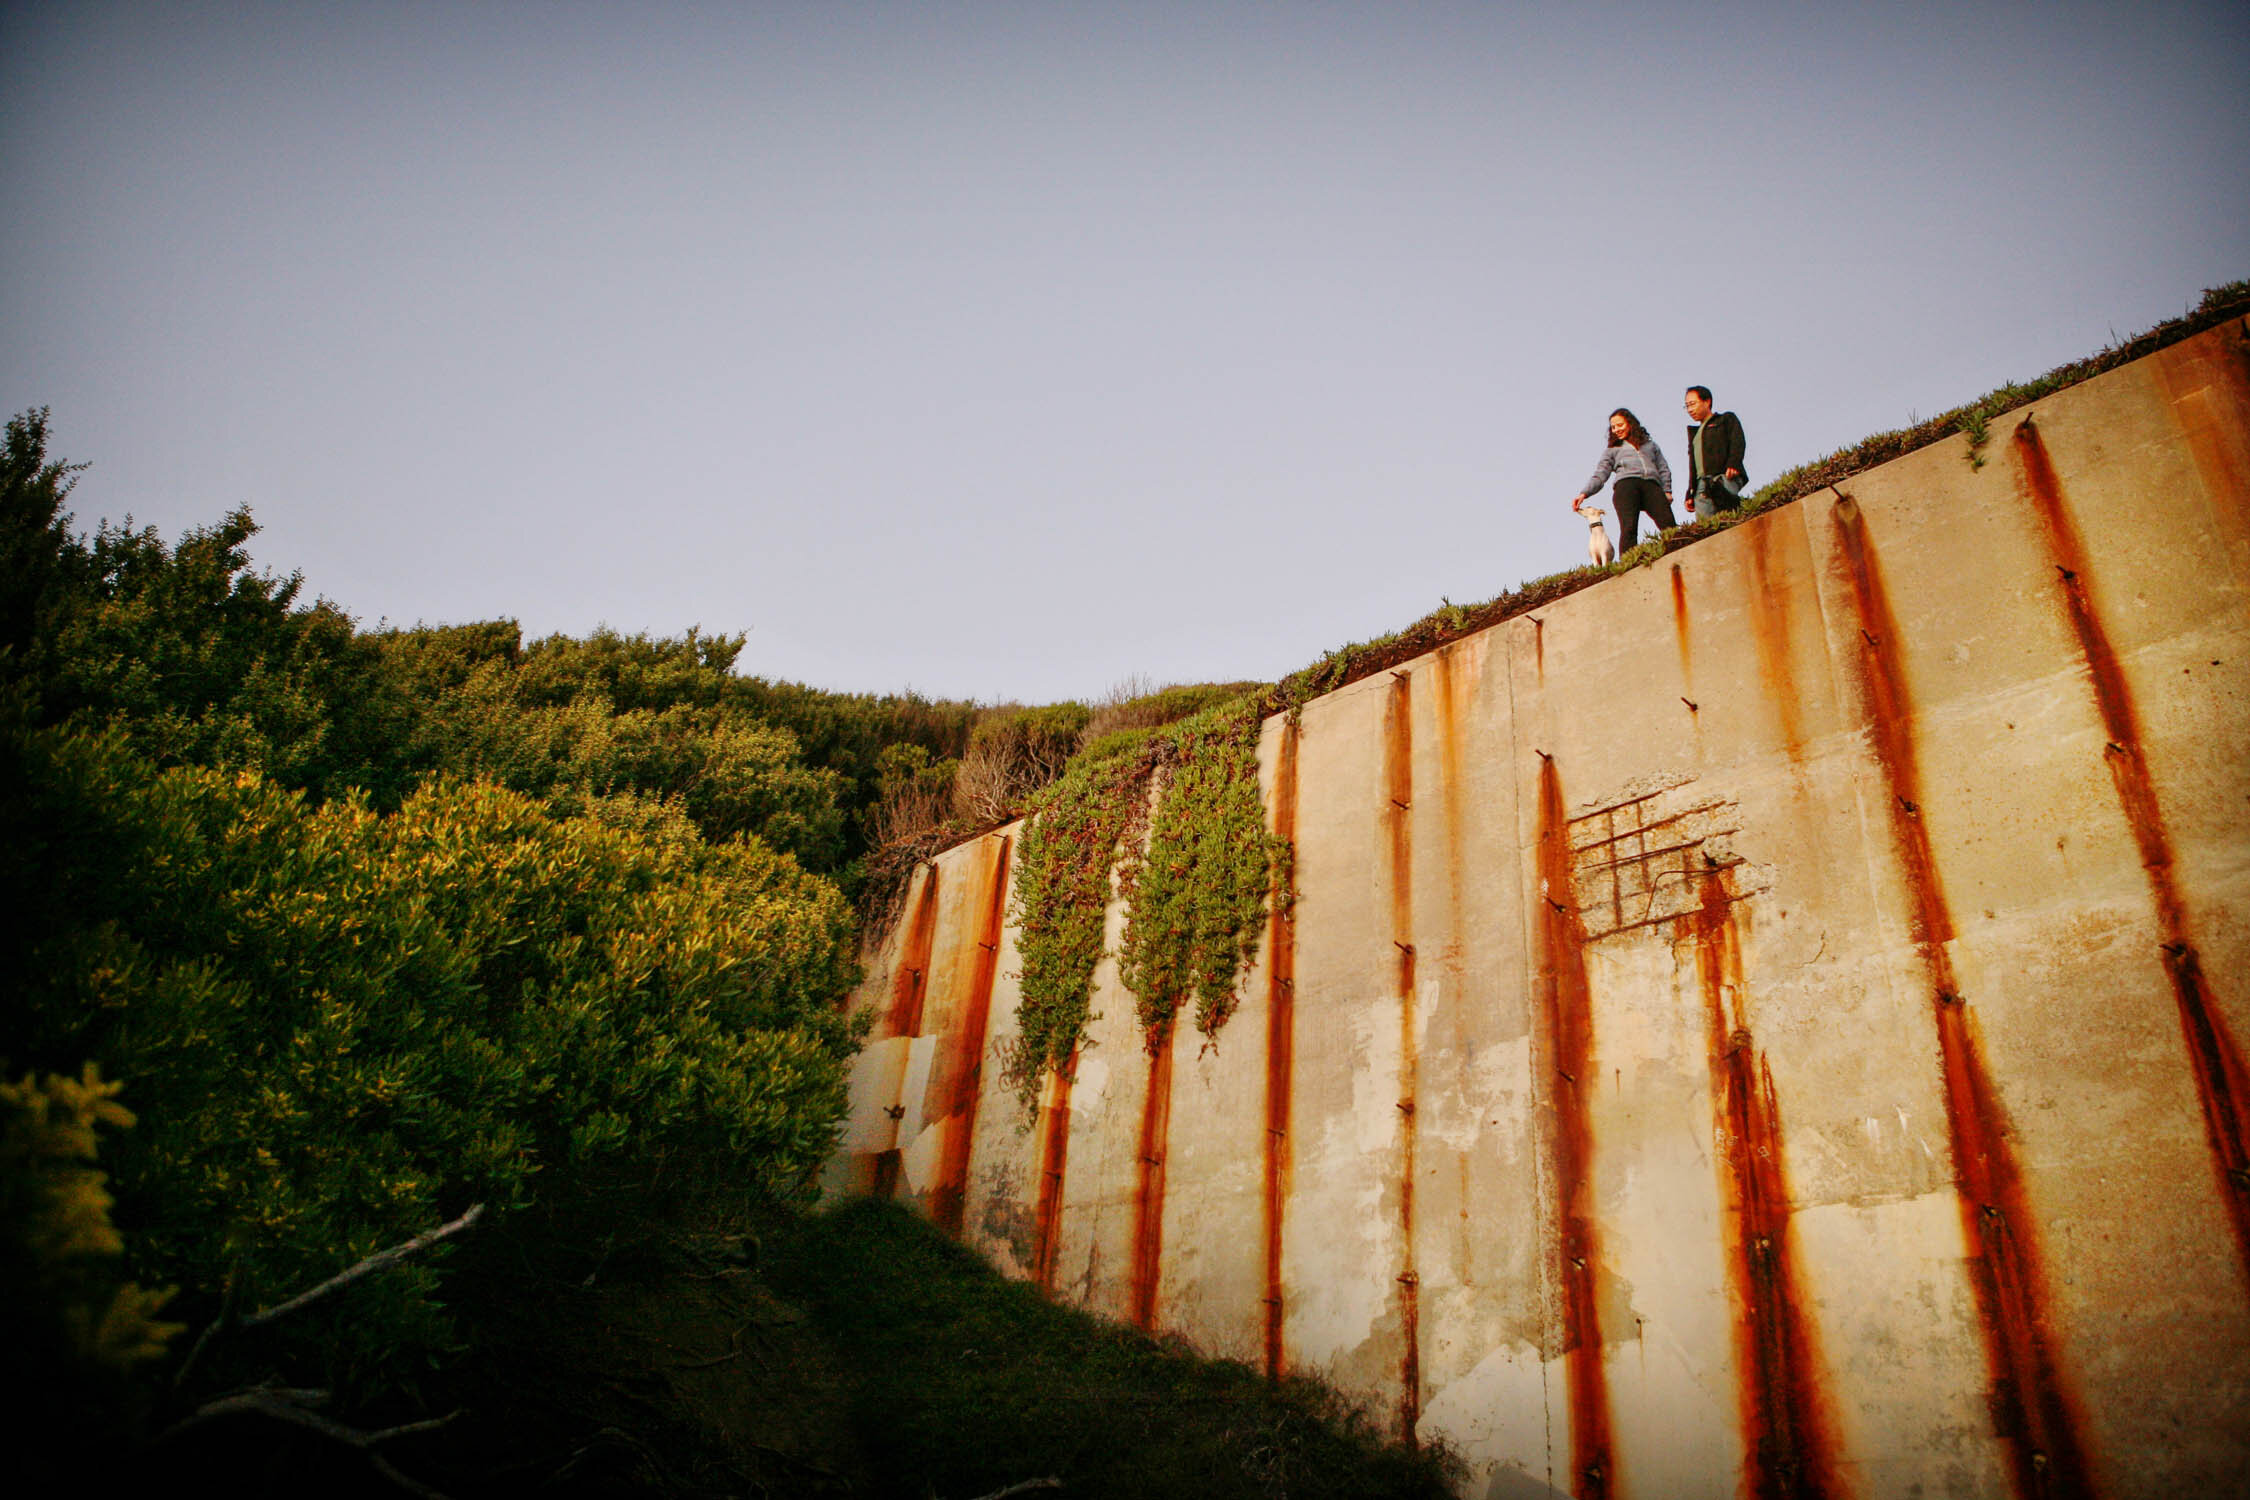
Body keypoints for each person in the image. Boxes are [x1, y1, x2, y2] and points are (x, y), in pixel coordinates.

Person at [1570, 408, 1674, 550]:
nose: (1616, 430)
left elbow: (1663, 469)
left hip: (1651, 485)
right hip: (1626, 486)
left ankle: (1679, 552)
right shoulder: (1612, 450)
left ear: (1630, 424)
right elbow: (1601, 474)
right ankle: (1628, 565)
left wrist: (1667, 490)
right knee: (1629, 528)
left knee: (1668, 523)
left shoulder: (1650, 445)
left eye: (1620, 425)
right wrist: (1584, 493)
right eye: (1613, 427)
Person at [1681, 386, 1747, 517]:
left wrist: (1734, 463)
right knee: (1707, 529)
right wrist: (1690, 492)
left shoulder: (1725, 419)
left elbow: (1738, 441)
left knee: (1731, 517)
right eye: (1687, 406)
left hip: (1724, 476)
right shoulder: (1694, 434)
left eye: (1692, 404)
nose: (1690, 409)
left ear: (1707, 401)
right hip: (1701, 486)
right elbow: (1693, 465)